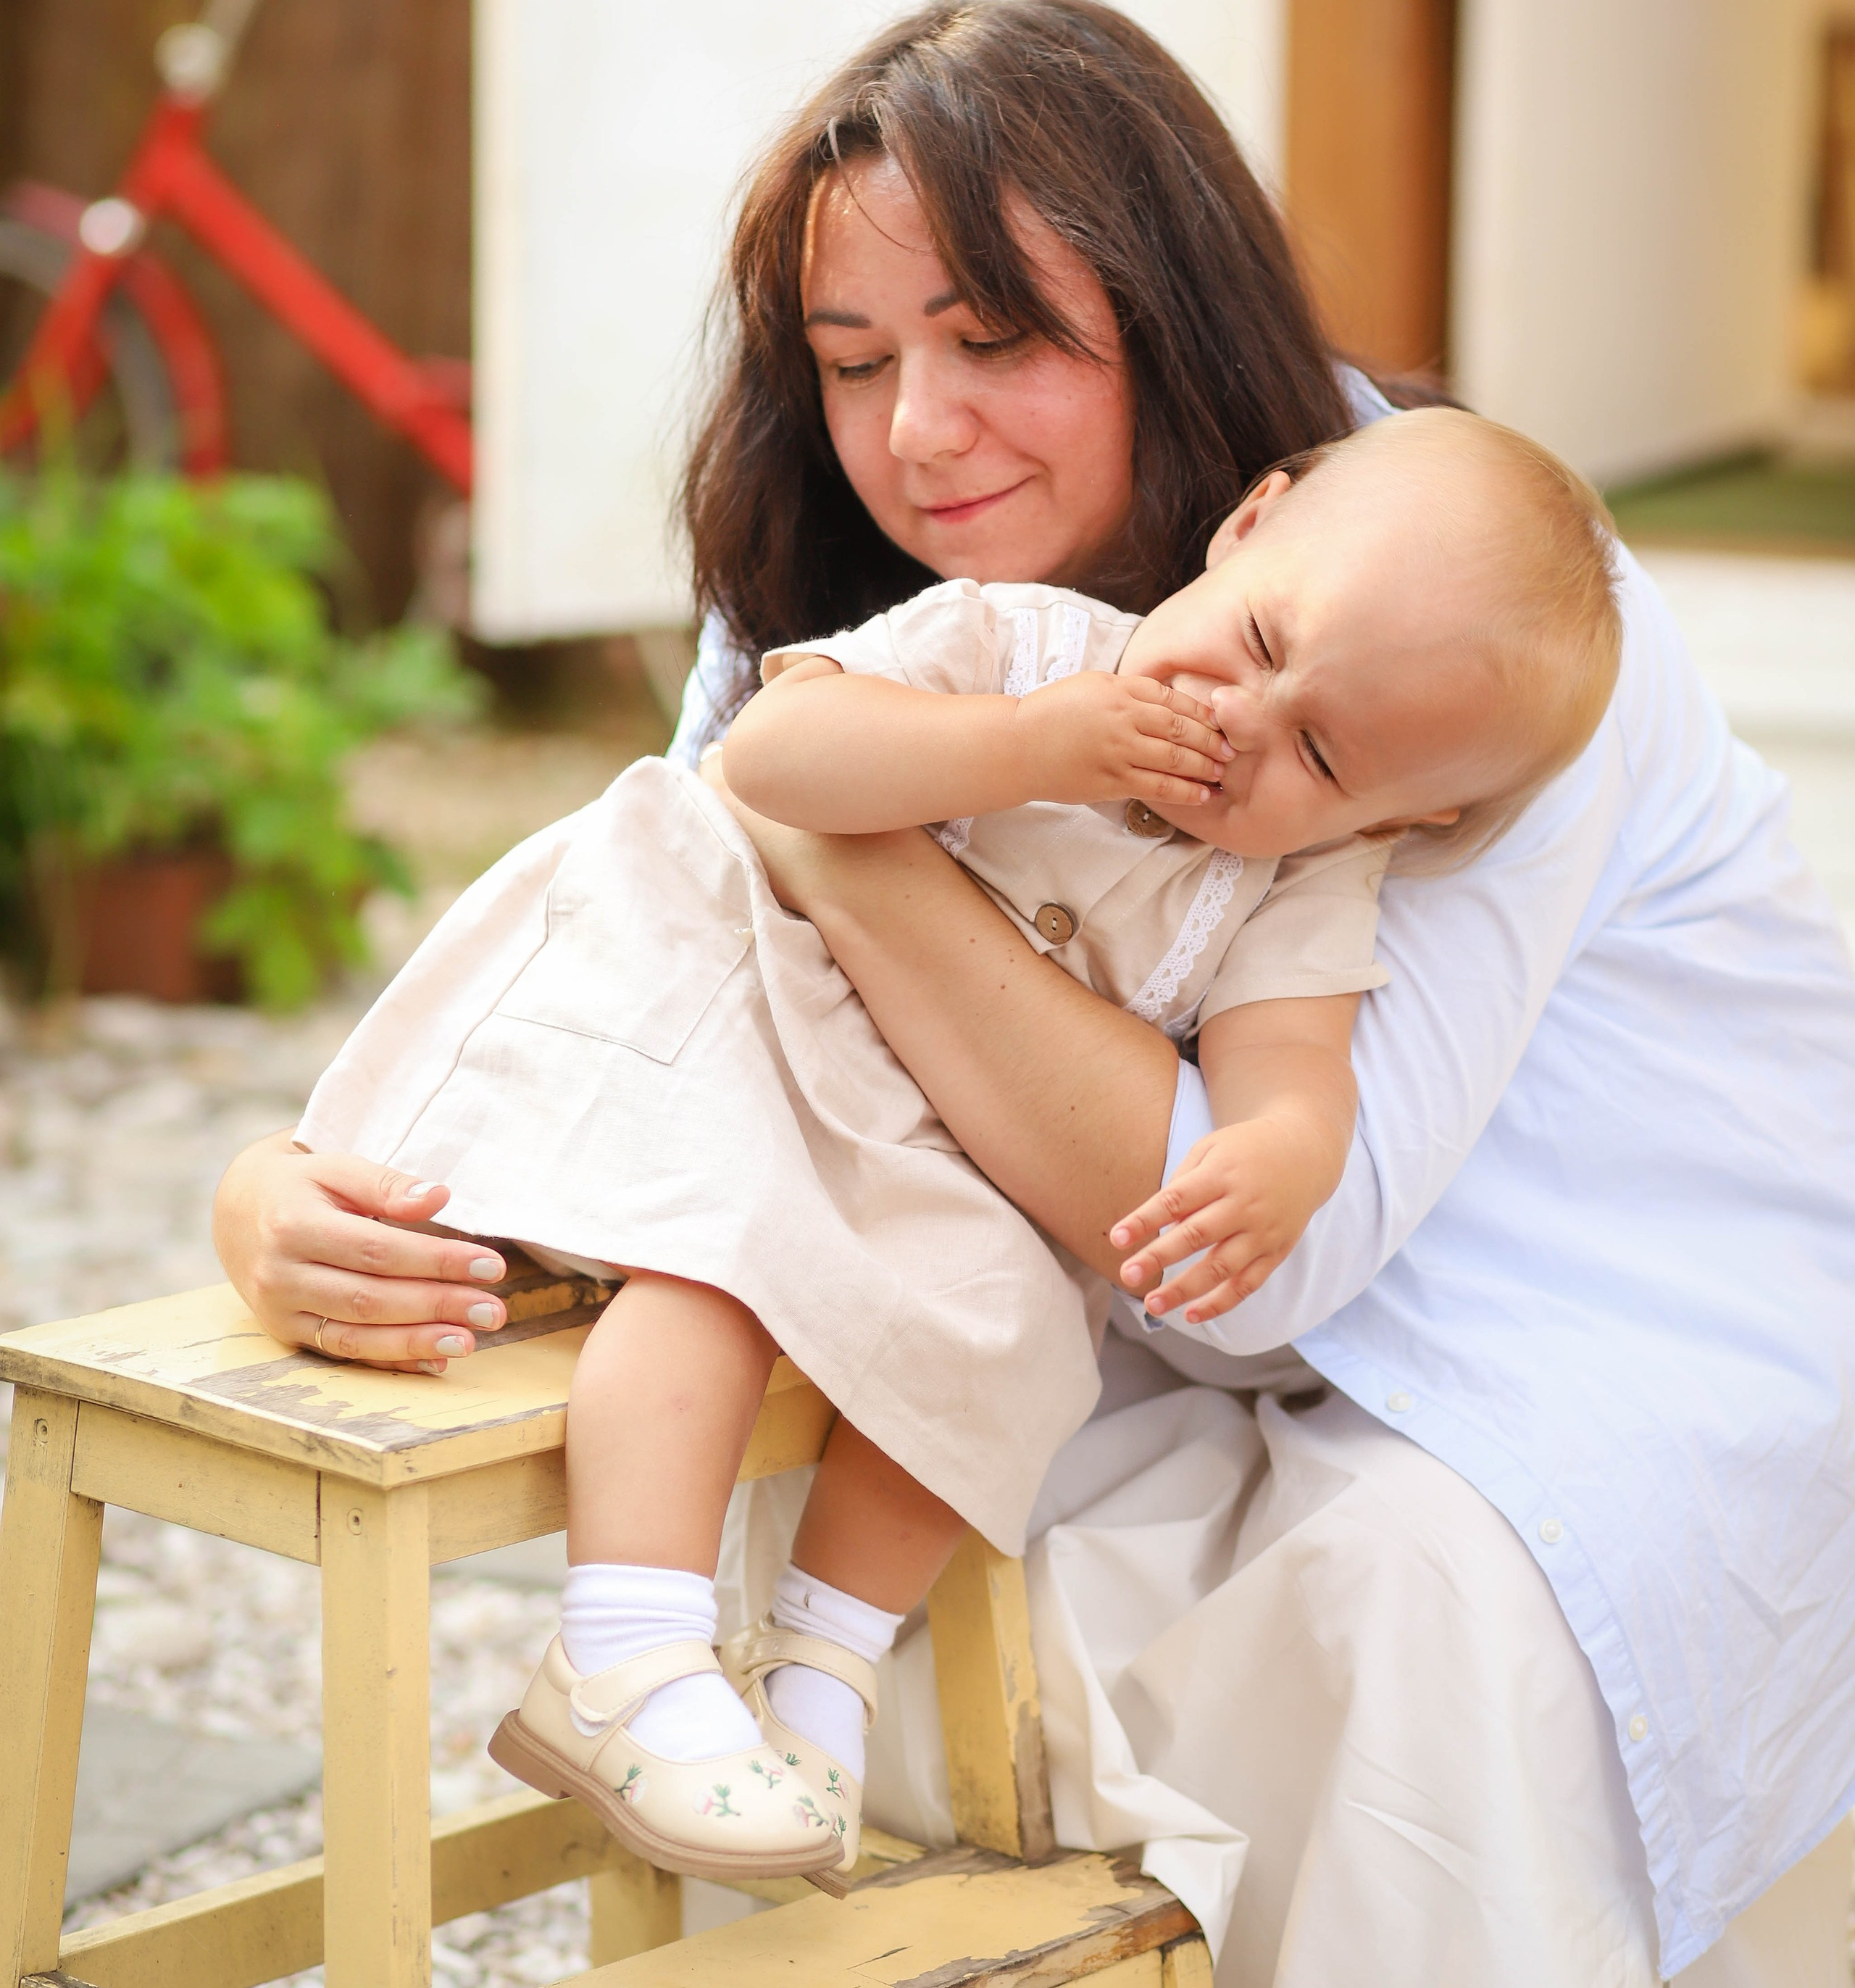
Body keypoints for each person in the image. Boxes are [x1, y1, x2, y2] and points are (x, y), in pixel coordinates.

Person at [214, 0, 1855, 1988]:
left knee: (1415, 1586)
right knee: (832, 1402)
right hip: (1145, 1304)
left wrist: (853, 831)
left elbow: (1284, 1237)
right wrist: (292, 1187)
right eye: (853, 350)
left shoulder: (1461, 617)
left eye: (997, 338)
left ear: (1175, 328)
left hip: (1597, 1302)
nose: (921, 430)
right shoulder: (851, 593)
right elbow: (667, 1003)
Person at [292, 409, 1621, 1888]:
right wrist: (1027, 747)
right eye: (1252, 641)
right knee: (719, 1264)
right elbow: (779, 753)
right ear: (1245, 528)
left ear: (1404, 809)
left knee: (1016, 1328)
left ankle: (819, 1664)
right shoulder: (1023, 644)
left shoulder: (1300, 880)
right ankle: (619, 1647)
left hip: (906, 1132)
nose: (1244, 718)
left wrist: (1284, 1152)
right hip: (742, 999)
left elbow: (1292, 1064)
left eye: (1314, 747)